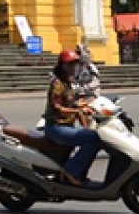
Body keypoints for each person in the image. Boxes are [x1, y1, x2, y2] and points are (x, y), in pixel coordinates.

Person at [43, 49, 101, 186]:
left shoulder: (68, 82)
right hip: (56, 127)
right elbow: (58, 109)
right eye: (69, 64)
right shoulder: (57, 84)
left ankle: (80, 173)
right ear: (62, 66)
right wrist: (79, 110)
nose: (73, 67)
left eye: (75, 64)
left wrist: (89, 104)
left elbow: (71, 102)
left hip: (66, 126)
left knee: (96, 136)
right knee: (93, 139)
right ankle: (70, 171)